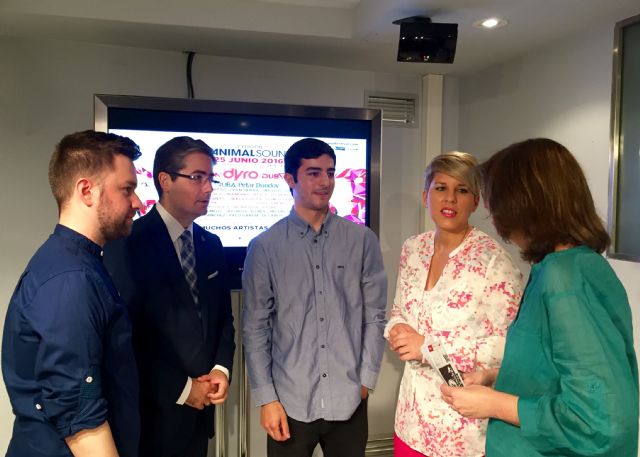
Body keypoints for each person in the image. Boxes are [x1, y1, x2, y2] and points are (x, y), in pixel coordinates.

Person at [441, 138, 639, 457]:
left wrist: (494, 404)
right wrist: (498, 377)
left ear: (522, 205)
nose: (493, 217)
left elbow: (599, 420)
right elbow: (556, 368)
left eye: (496, 205)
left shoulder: (566, 278)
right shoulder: (555, 268)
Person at [242, 137, 388, 457]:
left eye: (330, 172)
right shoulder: (265, 247)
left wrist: (367, 379)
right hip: (290, 402)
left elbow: (375, 315)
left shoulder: (361, 240)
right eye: (313, 173)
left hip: (350, 398)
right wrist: (267, 399)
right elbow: (256, 329)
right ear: (289, 179)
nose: (325, 182)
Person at [2, 130, 142, 457]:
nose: (137, 203)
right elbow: (79, 417)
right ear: (86, 190)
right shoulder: (72, 278)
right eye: (127, 189)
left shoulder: (76, 263)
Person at [103, 136, 235, 457]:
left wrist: (221, 369)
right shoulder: (129, 243)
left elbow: (223, 319)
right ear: (165, 180)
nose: (208, 188)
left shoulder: (210, 244)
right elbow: (123, 338)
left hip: (201, 412)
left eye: (211, 178)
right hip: (153, 414)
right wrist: (184, 388)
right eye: (197, 177)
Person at [385, 151, 523, 457]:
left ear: (475, 201)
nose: (450, 198)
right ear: (426, 196)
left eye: (461, 190)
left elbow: (506, 348)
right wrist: (396, 329)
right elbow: (398, 312)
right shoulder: (413, 249)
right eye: (441, 188)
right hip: (410, 420)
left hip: (461, 430)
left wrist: (427, 348)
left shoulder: (493, 262)